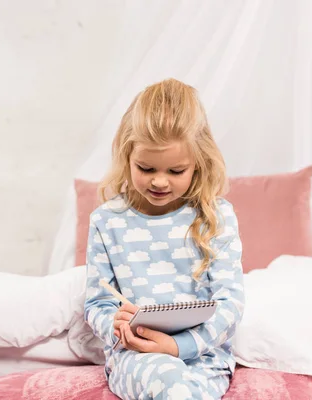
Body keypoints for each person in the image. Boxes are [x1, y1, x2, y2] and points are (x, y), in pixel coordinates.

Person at [83, 78, 245, 399]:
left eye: (176, 171)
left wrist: (178, 346)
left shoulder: (216, 216)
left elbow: (231, 304)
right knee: (169, 380)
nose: (159, 181)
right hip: (135, 357)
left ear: (197, 163)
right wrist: (117, 326)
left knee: (184, 390)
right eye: (146, 168)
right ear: (127, 156)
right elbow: (96, 302)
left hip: (203, 356)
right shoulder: (107, 220)